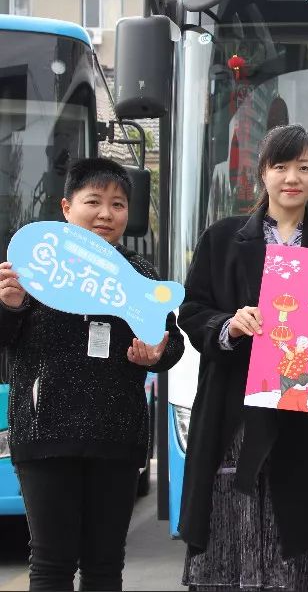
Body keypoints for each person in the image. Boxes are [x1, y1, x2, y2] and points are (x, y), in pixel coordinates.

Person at [178, 124, 308, 591]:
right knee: (229, 532)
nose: (291, 178)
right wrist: (229, 326)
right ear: (262, 174)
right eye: (280, 166)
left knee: (298, 536)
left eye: (304, 167)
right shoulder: (221, 239)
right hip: (234, 413)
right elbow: (192, 312)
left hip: (306, 419)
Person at [0, 157, 185, 591]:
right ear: (66, 207)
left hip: (115, 436)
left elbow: (169, 343)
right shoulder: (32, 265)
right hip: (45, 434)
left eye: (118, 204)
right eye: (94, 201)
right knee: (51, 563)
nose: (106, 213)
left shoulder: (139, 273)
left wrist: (155, 353)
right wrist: (10, 305)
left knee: (105, 565)